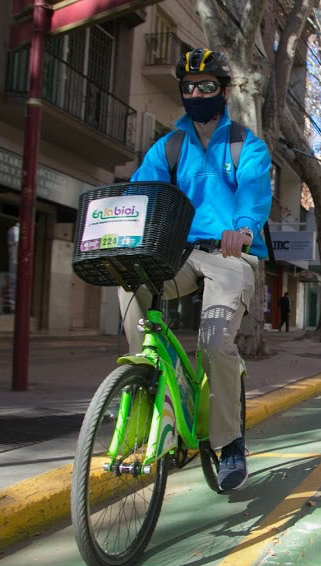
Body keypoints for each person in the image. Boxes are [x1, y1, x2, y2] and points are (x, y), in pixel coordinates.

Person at [118, 48, 272, 492]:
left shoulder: (247, 145)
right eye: (189, 87)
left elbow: (254, 195)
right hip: (177, 254)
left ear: (223, 91)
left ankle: (230, 444)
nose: (197, 93)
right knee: (128, 285)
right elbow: (142, 190)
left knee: (216, 340)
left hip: (229, 254)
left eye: (206, 86)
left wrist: (242, 229)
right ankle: (145, 382)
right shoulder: (169, 146)